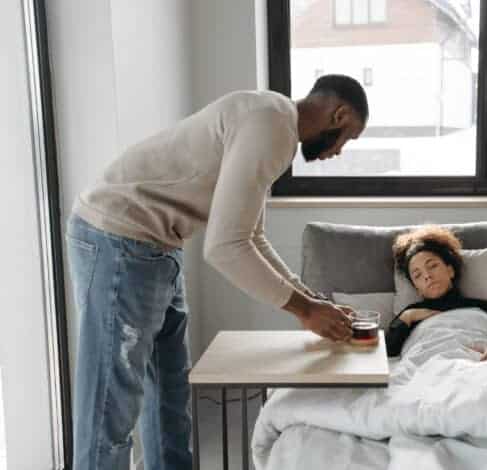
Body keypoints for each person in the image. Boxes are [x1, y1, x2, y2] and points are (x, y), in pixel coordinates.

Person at [65, 74, 368, 470]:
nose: (339, 151)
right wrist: (304, 311)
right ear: (339, 114)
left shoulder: (274, 122)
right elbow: (225, 247)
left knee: (169, 397)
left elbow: (251, 236)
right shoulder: (271, 125)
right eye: (348, 137)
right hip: (119, 239)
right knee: (110, 407)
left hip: (157, 247)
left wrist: (311, 301)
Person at [386, 226, 487, 363]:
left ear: (450, 270)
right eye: (417, 275)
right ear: (417, 288)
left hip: (485, 364)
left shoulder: (486, 308)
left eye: (432, 266)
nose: (427, 276)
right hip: (433, 366)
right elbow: (386, 352)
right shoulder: (410, 315)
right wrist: (406, 317)